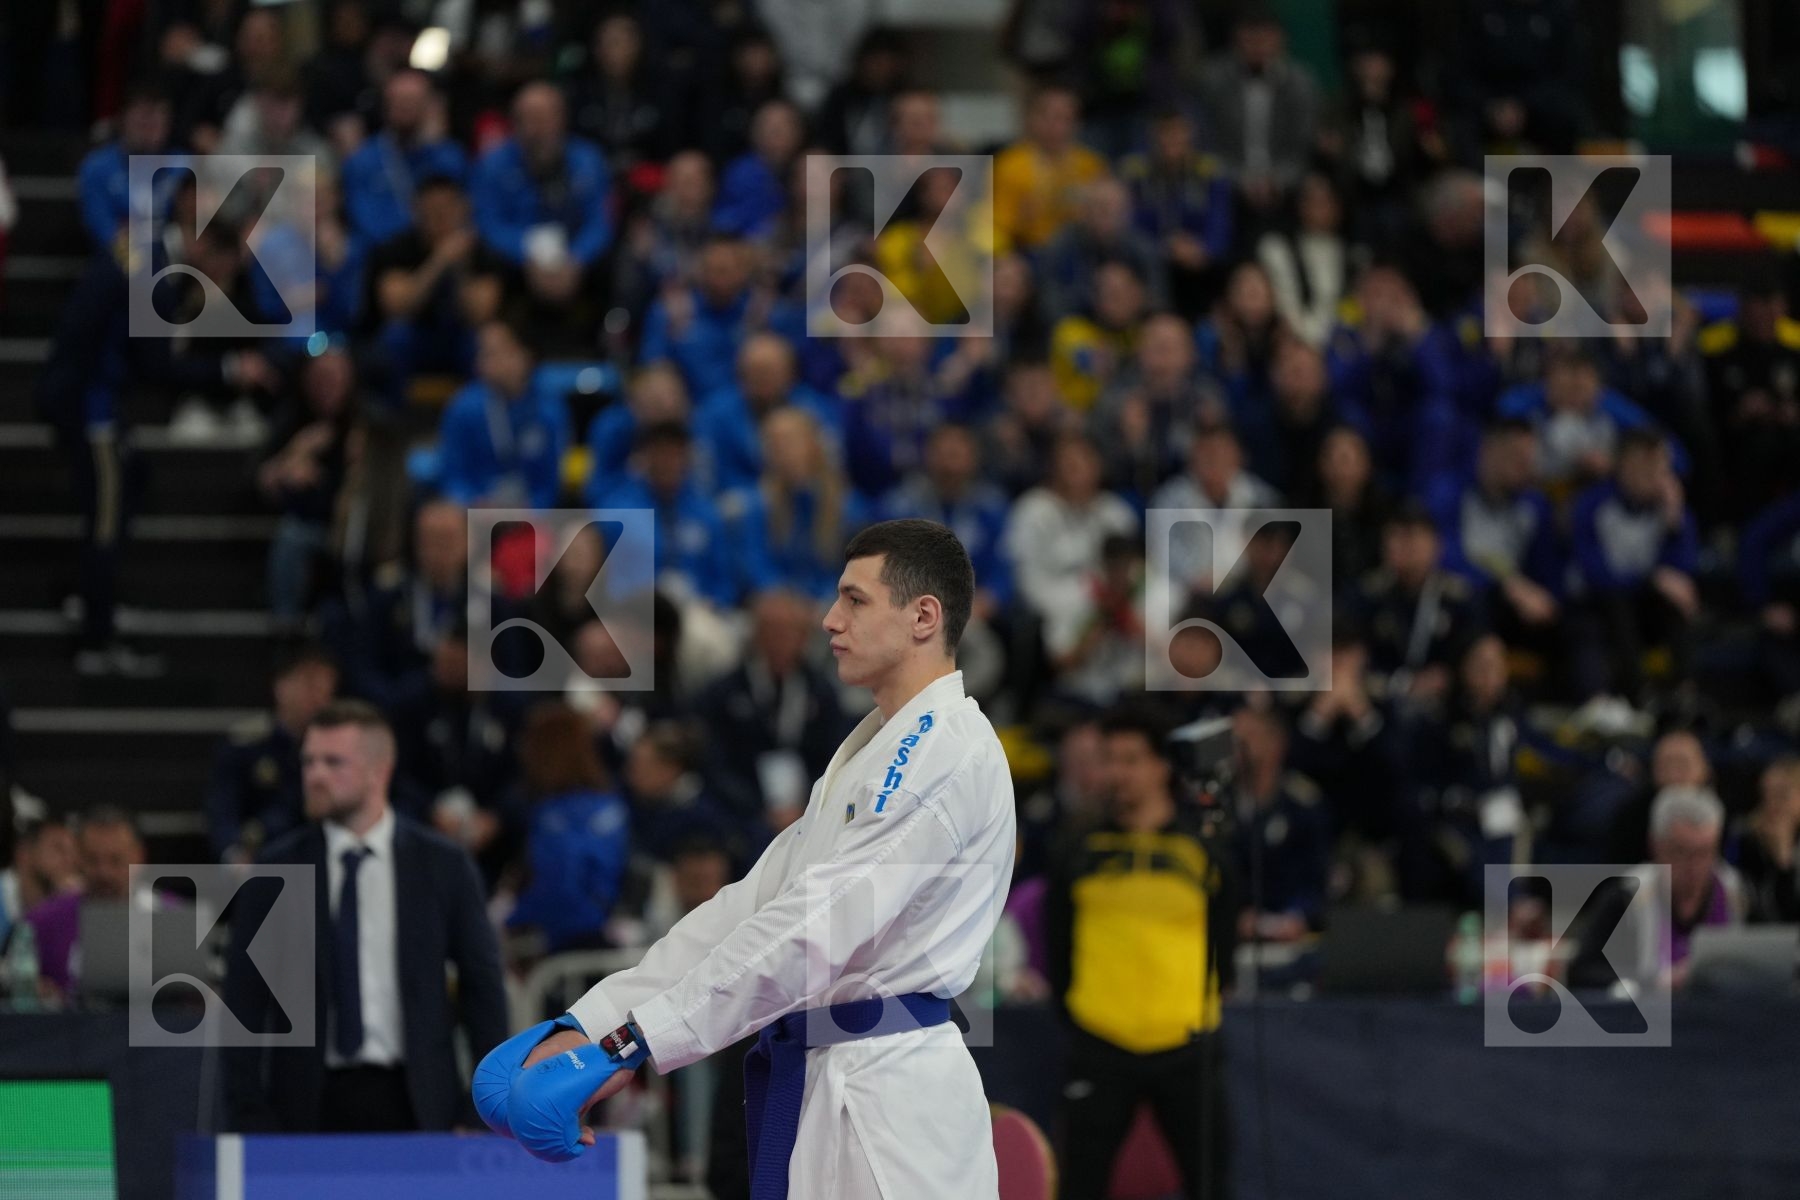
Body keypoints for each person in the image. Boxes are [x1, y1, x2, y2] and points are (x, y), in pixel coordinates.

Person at [475, 519, 1015, 1200]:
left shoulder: (943, 752)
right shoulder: (873, 750)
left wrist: (633, 1046)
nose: (829, 620)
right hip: (832, 1075)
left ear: (922, 616)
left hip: (893, 1100)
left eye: (854, 600)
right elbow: (750, 907)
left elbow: (814, 929)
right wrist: (591, 1023)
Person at [225, 701, 507, 1132]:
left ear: (379, 770)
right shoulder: (276, 869)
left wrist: (481, 1103)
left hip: (421, 1103)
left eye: (333, 762)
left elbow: (482, 986)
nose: (315, 775)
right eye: (309, 761)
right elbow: (244, 999)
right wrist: (250, 1112)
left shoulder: (442, 864)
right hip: (305, 1107)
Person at [1045, 706, 1233, 1200]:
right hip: (1099, 1042)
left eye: (1131, 760)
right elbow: (1057, 942)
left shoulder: (1205, 847)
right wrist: (1080, 1015)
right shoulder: (1076, 847)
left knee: (1212, 1187)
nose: (1117, 773)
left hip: (1188, 1044)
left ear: (1162, 767)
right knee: (1079, 1187)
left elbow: (1226, 940)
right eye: (1108, 760)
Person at [206, 644, 340, 864]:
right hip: (262, 857)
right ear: (281, 686)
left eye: (326, 689)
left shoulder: (338, 749)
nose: (319, 698)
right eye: (310, 685)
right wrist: (231, 852)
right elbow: (222, 808)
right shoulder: (246, 745)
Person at [1735, 758, 1800, 924]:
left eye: (1781, 795)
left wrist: (1783, 860)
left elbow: (1791, 919)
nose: (1771, 804)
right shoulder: (1747, 842)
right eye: (1765, 795)